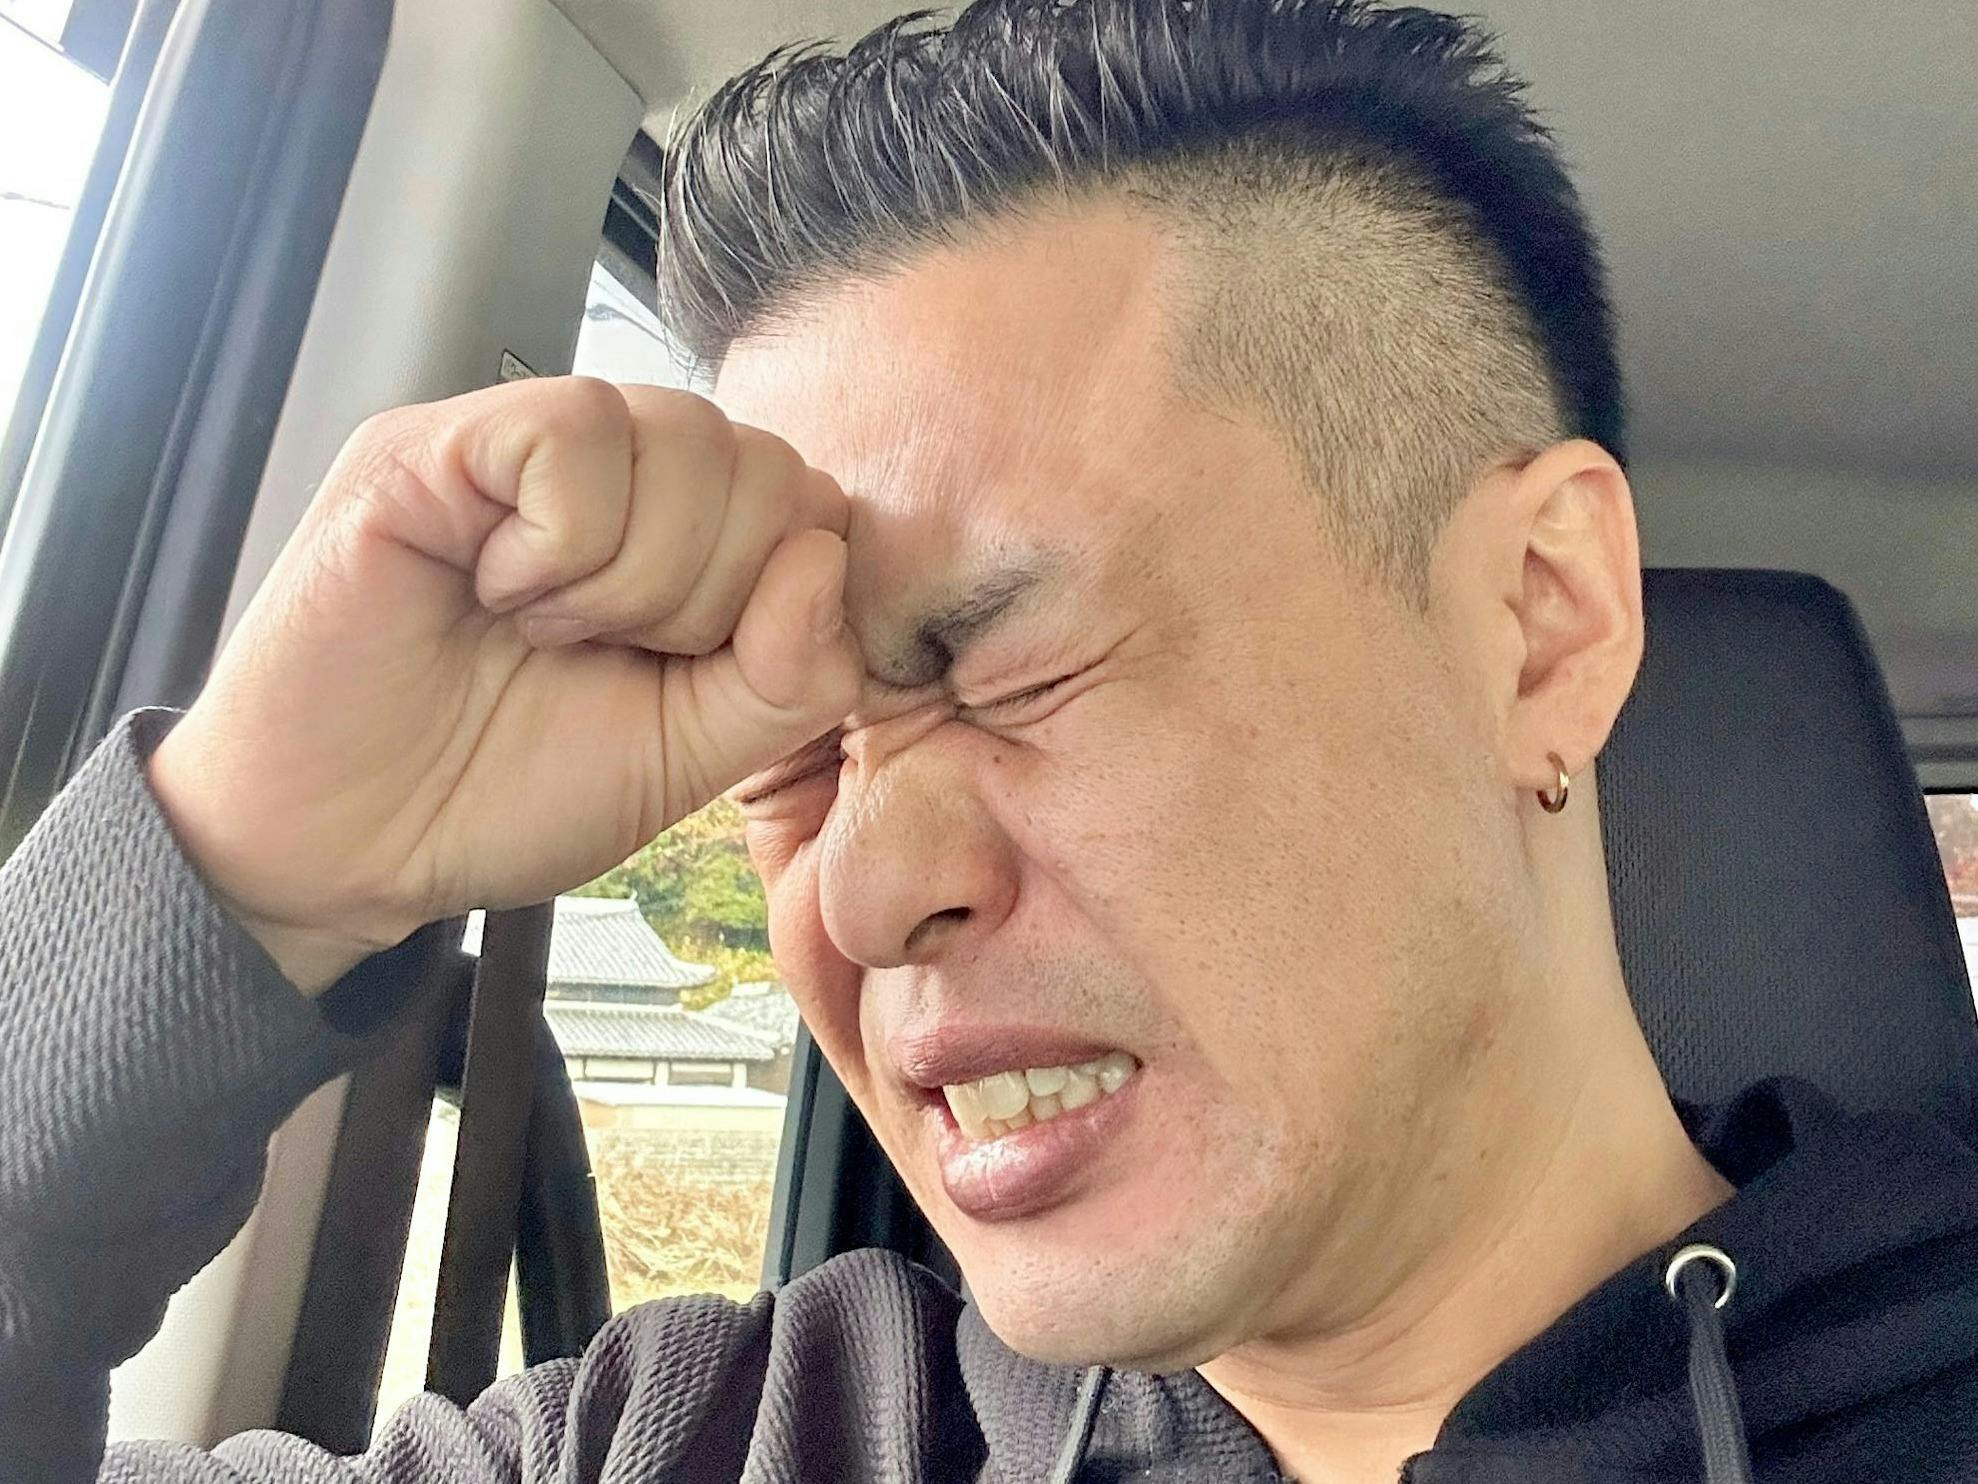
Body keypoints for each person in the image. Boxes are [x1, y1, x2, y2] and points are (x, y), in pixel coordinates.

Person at [4, 1, 1976, 1480]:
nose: (860, 896)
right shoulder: (698, 1438)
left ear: (1540, 622)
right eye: (788, 749)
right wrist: (247, 865)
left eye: (1010, 669)